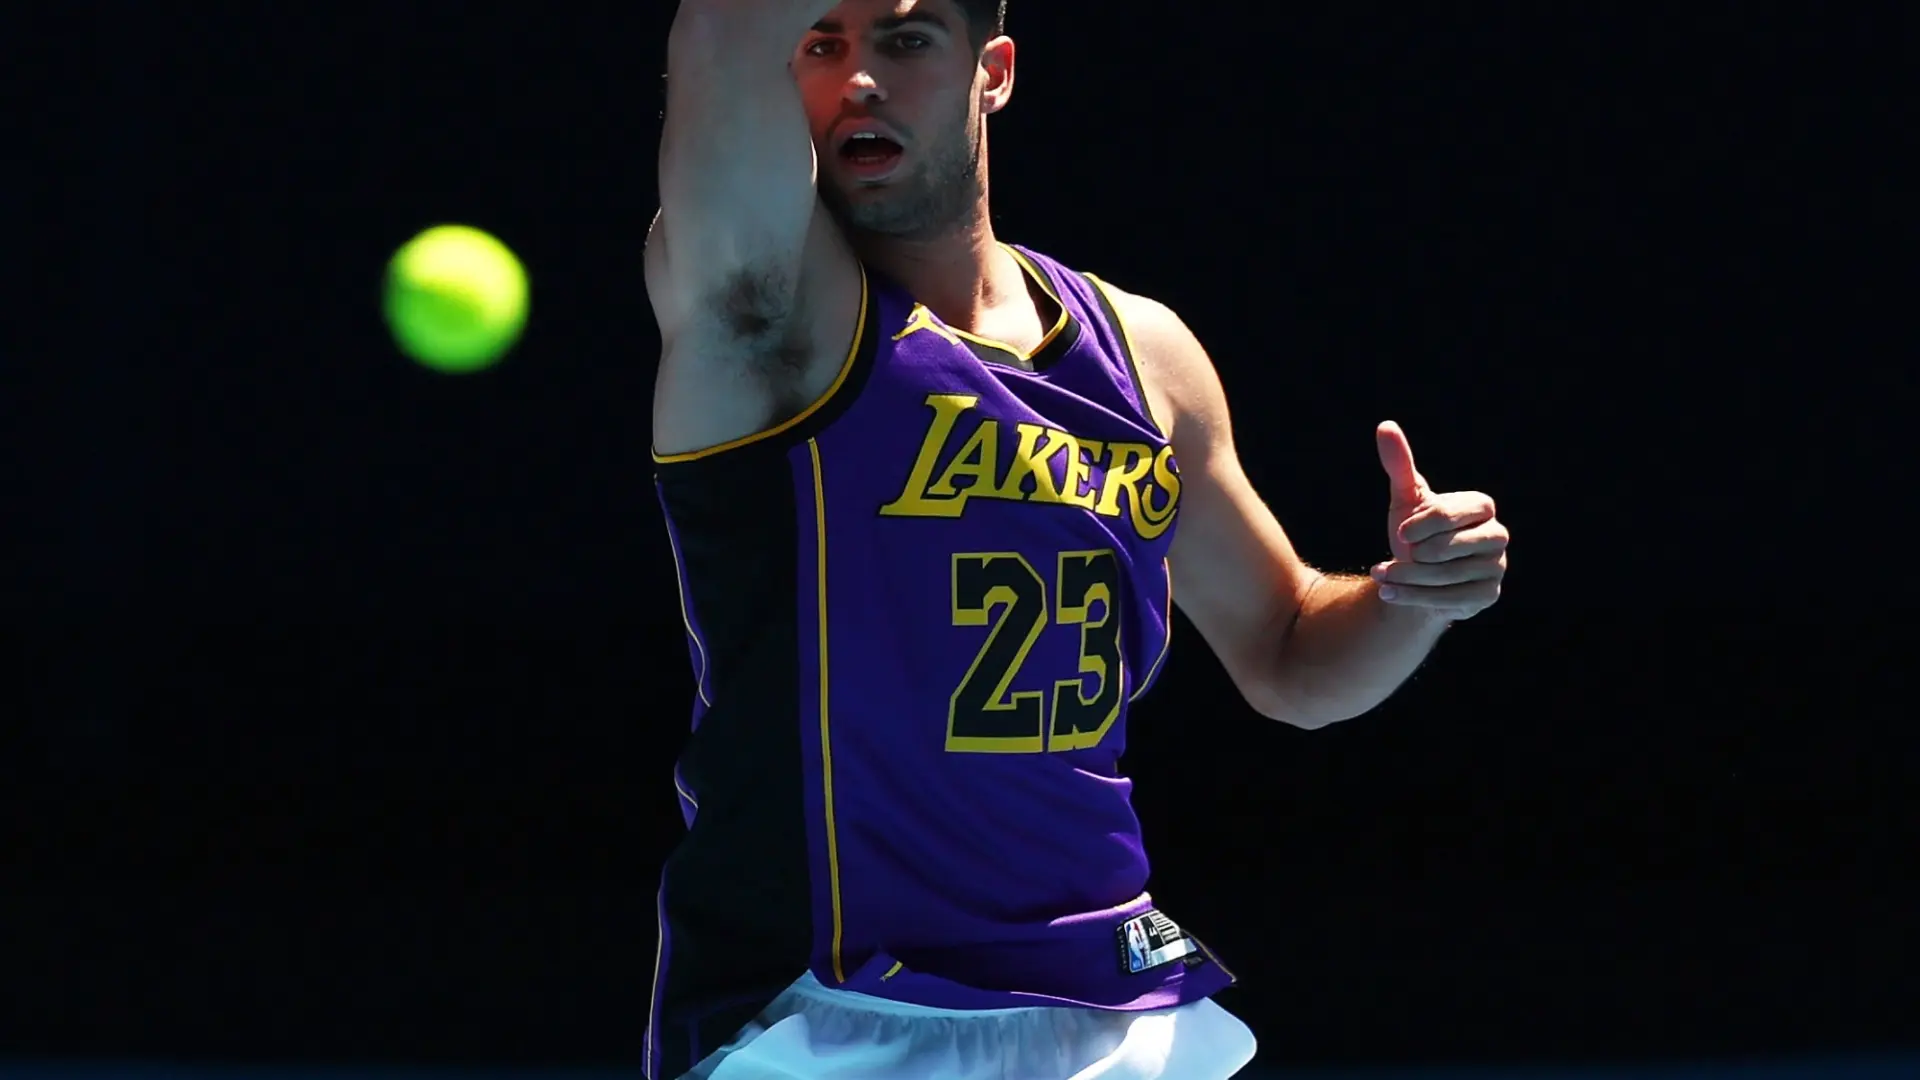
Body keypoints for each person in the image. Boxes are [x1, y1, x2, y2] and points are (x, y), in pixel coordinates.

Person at [643, 2, 1511, 1077]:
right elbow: (721, 38)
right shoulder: (771, 319)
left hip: (1123, 1005)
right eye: (821, 44)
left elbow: (1291, 652)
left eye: (905, 40)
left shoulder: (1144, 356)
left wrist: (1408, 598)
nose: (857, 77)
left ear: (992, 70)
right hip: (834, 1014)